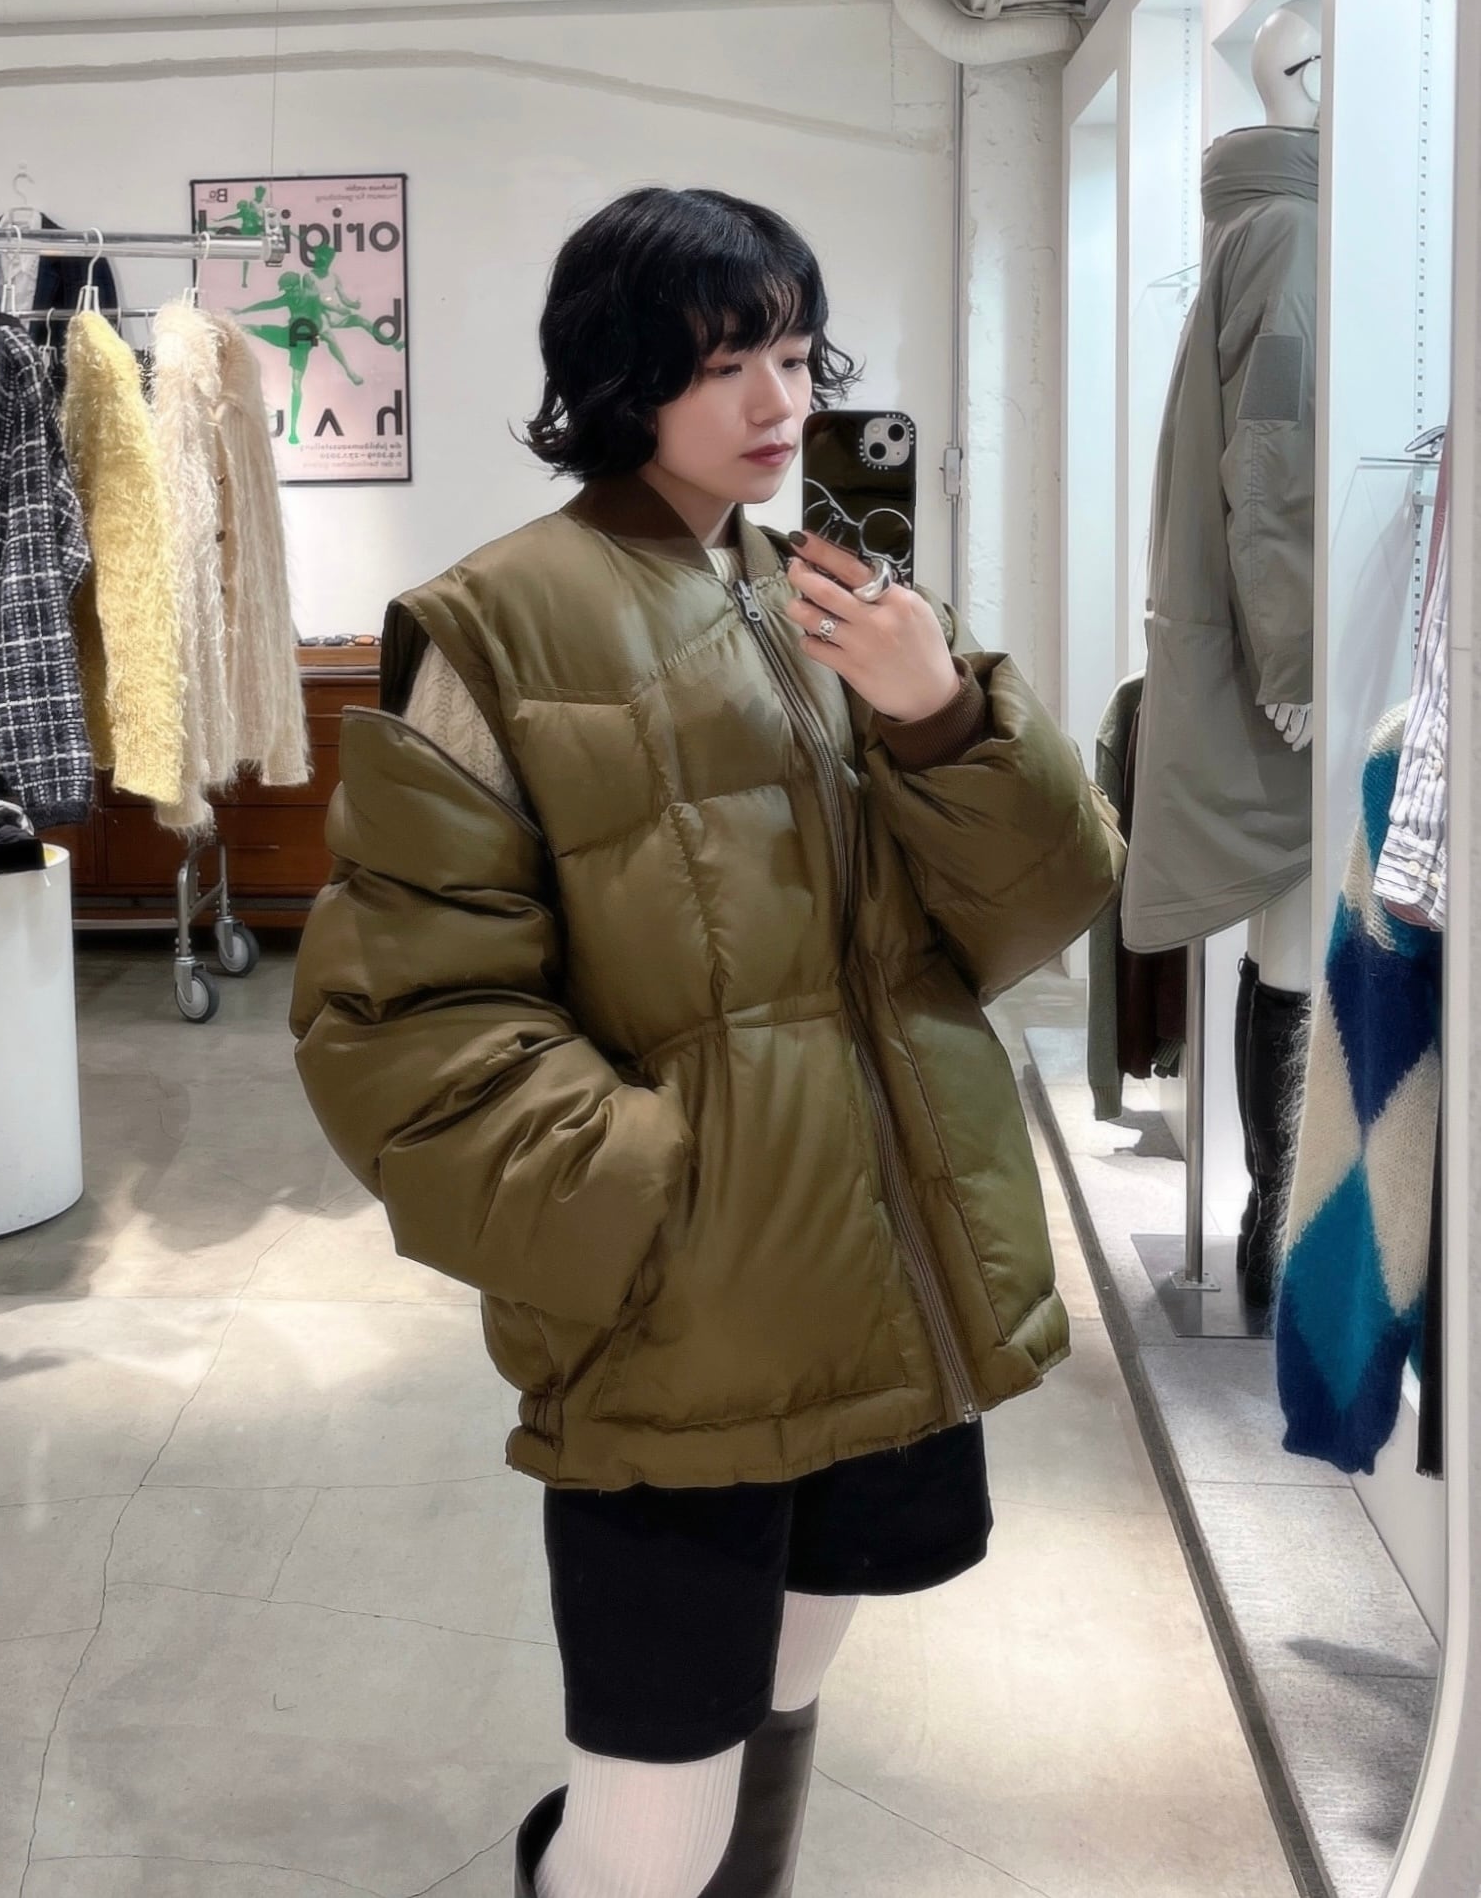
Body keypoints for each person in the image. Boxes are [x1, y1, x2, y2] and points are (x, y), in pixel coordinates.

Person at [290, 186, 1123, 1898]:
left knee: (790, 1682)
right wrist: (647, 1206)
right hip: (686, 1317)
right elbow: (407, 1015)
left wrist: (938, 712)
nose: (777, 403)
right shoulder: (492, 625)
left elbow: (1033, 905)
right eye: (725, 360)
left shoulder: (841, 600)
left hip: (886, 1278)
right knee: (656, 1787)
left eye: (797, 357)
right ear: (620, 373)